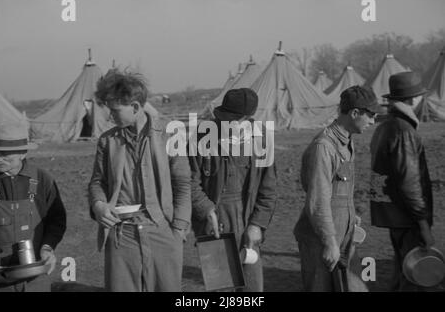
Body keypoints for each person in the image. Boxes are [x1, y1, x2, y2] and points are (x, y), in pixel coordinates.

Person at [88, 68, 191, 292]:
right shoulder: (107, 141)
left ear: (135, 107)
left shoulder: (170, 134)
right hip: (121, 234)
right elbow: (97, 182)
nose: (110, 116)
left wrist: (179, 228)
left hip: (163, 230)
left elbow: (182, 184)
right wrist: (98, 205)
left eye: (115, 110)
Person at [294, 86, 384, 292]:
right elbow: (318, 202)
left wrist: (350, 215)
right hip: (321, 240)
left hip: (342, 236)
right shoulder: (324, 147)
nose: (373, 121)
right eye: (370, 115)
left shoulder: (345, 143)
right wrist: (329, 242)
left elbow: (338, 191)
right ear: (354, 113)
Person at [189, 88, 277, 292]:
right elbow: (189, 181)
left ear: (247, 119)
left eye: (232, 120)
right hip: (215, 224)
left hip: (247, 222)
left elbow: (269, 189)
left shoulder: (261, 139)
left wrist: (257, 225)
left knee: (251, 290)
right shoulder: (201, 136)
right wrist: (206, 210)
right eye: (223, 118)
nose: (225, 123)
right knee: (222, 289)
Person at [370, 71, 434, 291]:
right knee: (416, 275)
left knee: (403, 270)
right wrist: (422, 222)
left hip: (393, 214)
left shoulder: (384, 128)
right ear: (414, 99)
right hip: (407, 217)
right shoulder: (404, 131)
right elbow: (410, 183)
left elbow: (378, 177)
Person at [0, 122, 66, 292]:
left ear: (23, 153)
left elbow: (56, 220)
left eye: (5, 154)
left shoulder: (41, 179)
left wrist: (48, 247)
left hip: (35, 276)